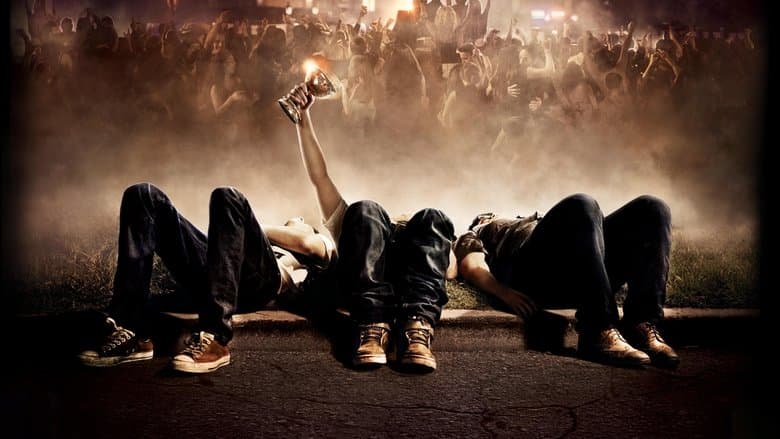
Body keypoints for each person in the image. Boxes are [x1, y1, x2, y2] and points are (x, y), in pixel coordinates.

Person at [285, 82, 457, 372]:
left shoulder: (423, 229)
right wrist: (303, 119)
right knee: (365, 208)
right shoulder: (362, 226)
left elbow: (449, 270)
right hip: (365, 282)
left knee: (433, 216)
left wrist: (436, 252)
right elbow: (319, 177)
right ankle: (372, 325)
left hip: (414, 287)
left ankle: (417, 329)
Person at [78, 183, 336, 373]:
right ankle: (132, 330)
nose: (295, 219)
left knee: (227, 196)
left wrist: (270, 225)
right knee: (143, 195)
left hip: (259, 285)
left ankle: (216, 338)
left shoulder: (317, 243)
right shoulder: (254, 235)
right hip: (216, 277)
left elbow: (305, 243)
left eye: (299, 220)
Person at [455, 194, 680, 368]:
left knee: (653, 208)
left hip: (582, 274)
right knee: (581, 203)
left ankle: (640, 324)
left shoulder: (539, 221)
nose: (491, 214)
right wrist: (504, 292)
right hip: (535, 275)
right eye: (486, 216)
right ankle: (597, 330)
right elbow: (471, 266)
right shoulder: (477, 232)